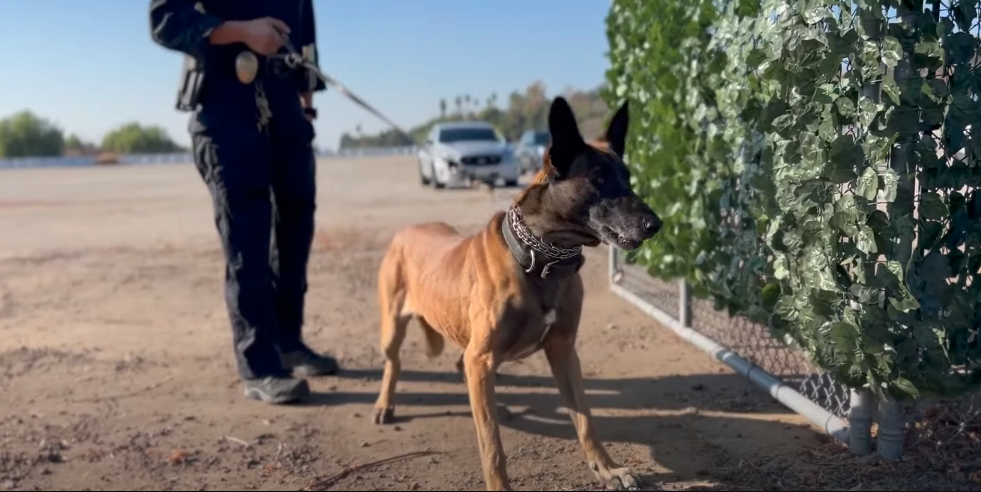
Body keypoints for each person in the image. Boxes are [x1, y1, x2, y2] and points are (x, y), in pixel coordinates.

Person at [148, 0, 339, 405]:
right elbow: (166, 21)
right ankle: (260, 366)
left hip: (287, 110)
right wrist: (241, 30)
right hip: (226, 108)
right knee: (247, 242)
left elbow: (305, 42)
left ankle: (289, 342)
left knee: (296, 231)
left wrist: (306, 110)